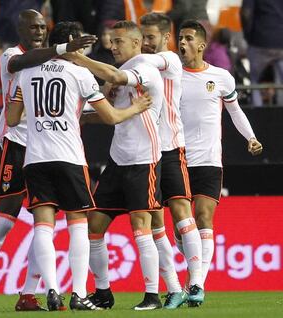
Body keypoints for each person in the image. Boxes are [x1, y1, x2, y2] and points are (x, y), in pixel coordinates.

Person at [6, 21, 152, 311]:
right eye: (82, 44)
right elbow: (110, 118)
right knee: (77, 224)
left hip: (35, 159)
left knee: (43, 227)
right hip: (70, 158)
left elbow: (12, 119)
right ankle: (79, 293)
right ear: (72, 43)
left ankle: (51, 289)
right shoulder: (80, 74)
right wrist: (135, 108)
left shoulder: (26, 73)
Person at [0, 9, 97, 313]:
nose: (38, 31)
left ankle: (29, 292)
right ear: (20, 29)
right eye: (32, 27)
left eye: (42, 27)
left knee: (44, 221)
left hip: (48, 147)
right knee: (6, 218)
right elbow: (21, 64)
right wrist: (65, 49)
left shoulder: (57, 64)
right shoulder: (12, 54)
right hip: (17, 143)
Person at [66, 20, 165, 310]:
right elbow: (111, 113)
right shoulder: (118, 76)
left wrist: (77, 57)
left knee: (140, 224)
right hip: (118, 160)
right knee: (94, 225)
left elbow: (115, 77)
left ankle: (152, 295)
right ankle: (103, 292)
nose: (112, 47)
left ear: (136, 43)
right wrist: (81, 117)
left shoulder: (144, 69)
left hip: (143, 160)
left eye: (117, 42)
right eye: (110, 42)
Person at [177, 20, 263, 304]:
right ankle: (193, 274)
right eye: (180, 37)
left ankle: (197, 285)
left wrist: (250, 137)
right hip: (176, 158)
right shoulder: (171, 76)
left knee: (203, 217)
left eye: (188, 38)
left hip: (209, 160)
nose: (182, 42)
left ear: (201, 45)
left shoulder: (222, 77)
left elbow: (235, 110)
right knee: (181, 228)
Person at [138, 12, 204, 308]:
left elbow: (141, 62)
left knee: (182, 213)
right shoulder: (139, 65)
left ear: (166, 38)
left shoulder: (169, 59)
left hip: (171, 148)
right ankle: (174, 288)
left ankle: (197, 283)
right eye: (143, 38)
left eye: (150, 37)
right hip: (145, 151)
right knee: (154, 221)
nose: (146, 44)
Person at [240, 0, 283, 107]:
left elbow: (246, 13)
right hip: (280, 42)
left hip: (259, 41)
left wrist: (248, 36)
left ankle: (258, 114)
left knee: (255, 82)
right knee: (281, 82)